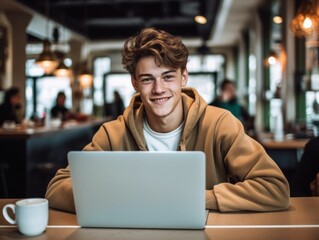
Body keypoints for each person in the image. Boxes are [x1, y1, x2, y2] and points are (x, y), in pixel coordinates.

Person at [45, 27, 290, 213]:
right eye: (148, 79)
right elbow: (57, 189)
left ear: (184, 77)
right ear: (135, 83)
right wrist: (122, 198)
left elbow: (275, 188)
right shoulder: (112, 133)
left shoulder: (220, 124)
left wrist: (193, 198)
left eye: (168, 76)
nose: (159, 89)